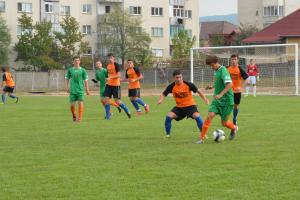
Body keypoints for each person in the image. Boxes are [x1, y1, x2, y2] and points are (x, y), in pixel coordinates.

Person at [197, 55, 238, 144]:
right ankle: (201, 138)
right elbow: (219, 83)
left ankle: (234, 127)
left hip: (227, 101)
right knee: (210, 115)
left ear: (216, 63)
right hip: (217, 101)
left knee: (224, 123)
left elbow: (230, 84)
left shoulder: (223, 71)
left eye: (212, 65)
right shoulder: (216, 71)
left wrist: (220, 94)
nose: (211, 67)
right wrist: (212, 86)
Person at [158, 70, 209, 138]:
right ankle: (168, 135)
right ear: (174, 78)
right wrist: (160, 100)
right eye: (177, 77)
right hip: (179, 108)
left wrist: (205, 99)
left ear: (182, 77)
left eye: (180, 77)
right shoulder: (171, 86)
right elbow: (163, 94)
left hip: (190, 106)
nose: (179, 79)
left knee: (197, 116)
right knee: (169, 116)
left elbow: (198, 91)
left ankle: (203, 134)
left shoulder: (188, 84)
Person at [104, 53, 131, 119]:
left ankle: (127, 110)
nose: (110, 59)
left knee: (117, 101)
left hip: (116, 85)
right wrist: (107, 79)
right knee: (106, 100)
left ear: (114, 58)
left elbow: (119, 75)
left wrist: (110, 78)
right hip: (108, 85)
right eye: (108, 58)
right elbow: (108, 75)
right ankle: (108, 116)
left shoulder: (116, 65)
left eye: (111, 58)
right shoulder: (108, 66)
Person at [65, 56, 90, 122]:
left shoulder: (83, 70)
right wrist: (66, 87)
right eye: (75, 60)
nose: (77, 62)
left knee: (80, 103)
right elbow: (67, 78)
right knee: (72, 105)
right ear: (73, 62)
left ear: (80, 61)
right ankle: (74, 114)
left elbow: (86, 80)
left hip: (80, 90)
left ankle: (79, 118)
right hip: (72, 90)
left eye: (78, 60)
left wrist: (87, 89)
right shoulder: (70, 70)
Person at [227, 54, 249, 125]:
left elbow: (247, 79)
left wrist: (241, 87)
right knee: (228, 105)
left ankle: (234, 118)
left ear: (238, 60)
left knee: (236, 106)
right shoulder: (227, 68)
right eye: (232, 59)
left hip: (237, 91)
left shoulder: (240, 69)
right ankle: (226, 119)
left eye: (235, 59)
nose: (233, 61)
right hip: (228, 90)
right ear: (230, 60)